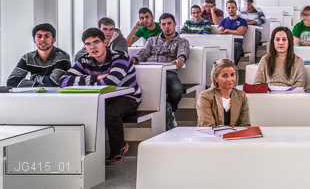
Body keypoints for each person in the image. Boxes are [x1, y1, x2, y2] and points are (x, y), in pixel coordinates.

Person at [61, 28, 140, 165]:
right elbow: (64, 81)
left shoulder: (120, 57)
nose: (92, 47)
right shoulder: (84, 60)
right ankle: (81, 151)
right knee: (77, 110)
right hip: (98, 98)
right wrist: (95, 78)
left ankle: (119, 148)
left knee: (109, 111)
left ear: (105, 42)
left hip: (128, 97)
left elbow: (111, 82)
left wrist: (85, 82)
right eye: (88, 44)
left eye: (96, 42)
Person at [132, 13, 189, 130]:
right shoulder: (152, 40)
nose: (167, 27)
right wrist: (135, 59)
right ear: (160, 26)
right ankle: (164, 112)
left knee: (177, 89)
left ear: (175, 24)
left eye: (169, 23)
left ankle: (170, 111)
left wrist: (180, 60)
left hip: (168, 72)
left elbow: (183, 53)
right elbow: (143, 54)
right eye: (163, 24)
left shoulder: (182, 41)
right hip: (149, 71)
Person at [7, 23, 71, 87]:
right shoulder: (28, 57)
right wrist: (37, 85)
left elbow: (54, 81)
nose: (42, 39)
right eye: (39, 36)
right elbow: (12, 81)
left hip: (59, 93)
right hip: (37, 92)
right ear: (34, 40)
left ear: (54, 40)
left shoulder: (62, 56)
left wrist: (35, 77)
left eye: (47, 36)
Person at [196, 59, 250, 128]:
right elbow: (207, 126)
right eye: (224, 76)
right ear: (215, 78)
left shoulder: (241, 95)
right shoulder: (205, 96)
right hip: (211, 134)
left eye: (232, 75)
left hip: (234, 135)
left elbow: (244, 125)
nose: (229, 79)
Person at [218, 0, 248, 64]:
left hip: (236, 43)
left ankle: (231, 65)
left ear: (236, 8)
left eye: (233, 7)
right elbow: (220, 32)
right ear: (227, 9)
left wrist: (228, 30)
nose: (231, 10)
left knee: (236, 46)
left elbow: (241, 33)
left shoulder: (242, 21)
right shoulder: (223, 20)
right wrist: (235, 31)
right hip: (225, 42)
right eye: (229, 8)